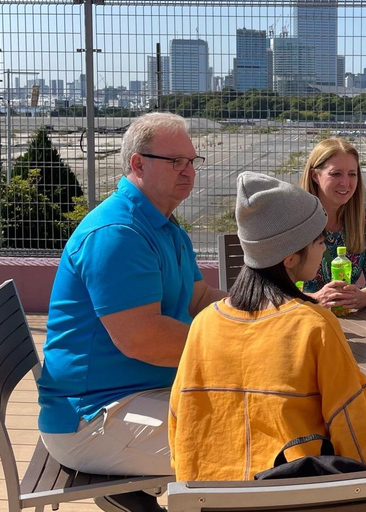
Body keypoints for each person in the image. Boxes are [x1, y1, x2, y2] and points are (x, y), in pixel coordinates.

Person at [37, 113, 226, 511]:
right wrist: (242, 348)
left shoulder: (164, 225)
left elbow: (198, 298)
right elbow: (146, 340)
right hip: (92, 419)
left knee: (265, 412)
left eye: (192, 161)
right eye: (175, 161)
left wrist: (268, 312)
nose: (188, 171)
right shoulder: (119, 234)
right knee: (242, 445)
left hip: (137, 394)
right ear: (138, 164)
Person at [169, 172, 366, 480]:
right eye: (319, 242)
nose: (322, 251)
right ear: (290, 257)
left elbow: (179, 423)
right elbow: (358, 433)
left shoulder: (205, 323)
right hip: (289, 494)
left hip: (210, 494)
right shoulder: (313, 325)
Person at [300, 138, 366, 310]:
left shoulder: (362, 217)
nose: (346, 183)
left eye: (352, 174)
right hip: (302, 320)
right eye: (336, 174)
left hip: (349, 320)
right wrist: (315, 298)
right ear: (315, 176)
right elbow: (269, 288)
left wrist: (365, 296)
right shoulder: (294, 219)